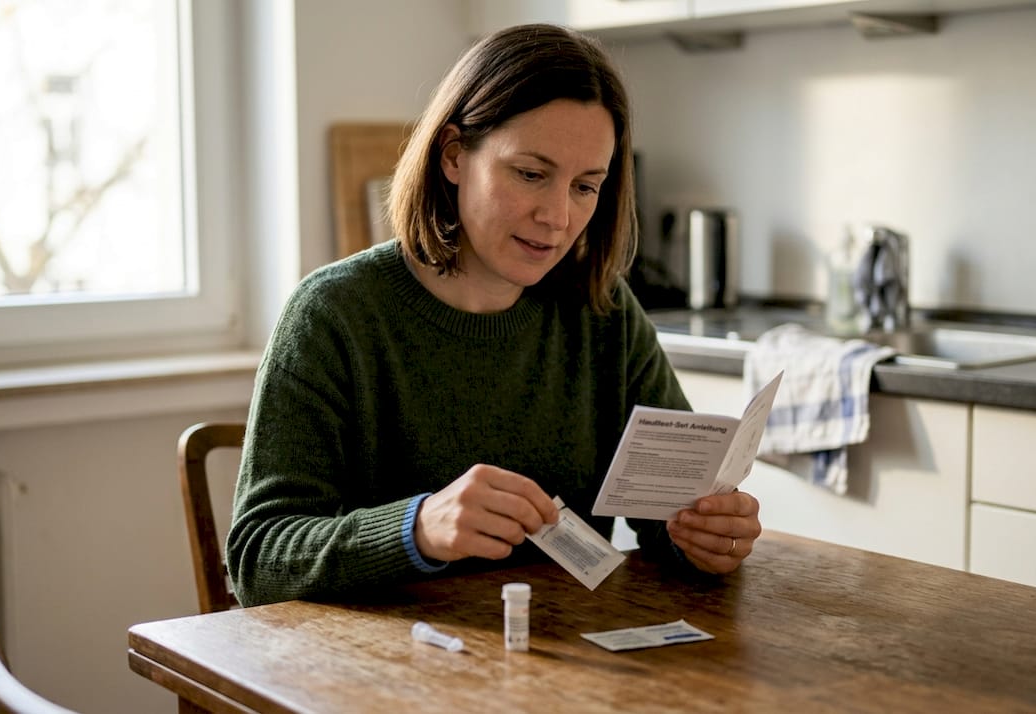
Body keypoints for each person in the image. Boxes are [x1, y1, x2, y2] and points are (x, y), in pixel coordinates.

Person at [227, 23, 762, 607]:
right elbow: (258, 562)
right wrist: (419, 529)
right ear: (455, 155)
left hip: (561, 662)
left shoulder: (602, 310)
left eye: (586, 187)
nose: (557, 216)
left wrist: (705, 536)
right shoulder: (334, 315)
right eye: (531, 174)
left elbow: (666, 518)